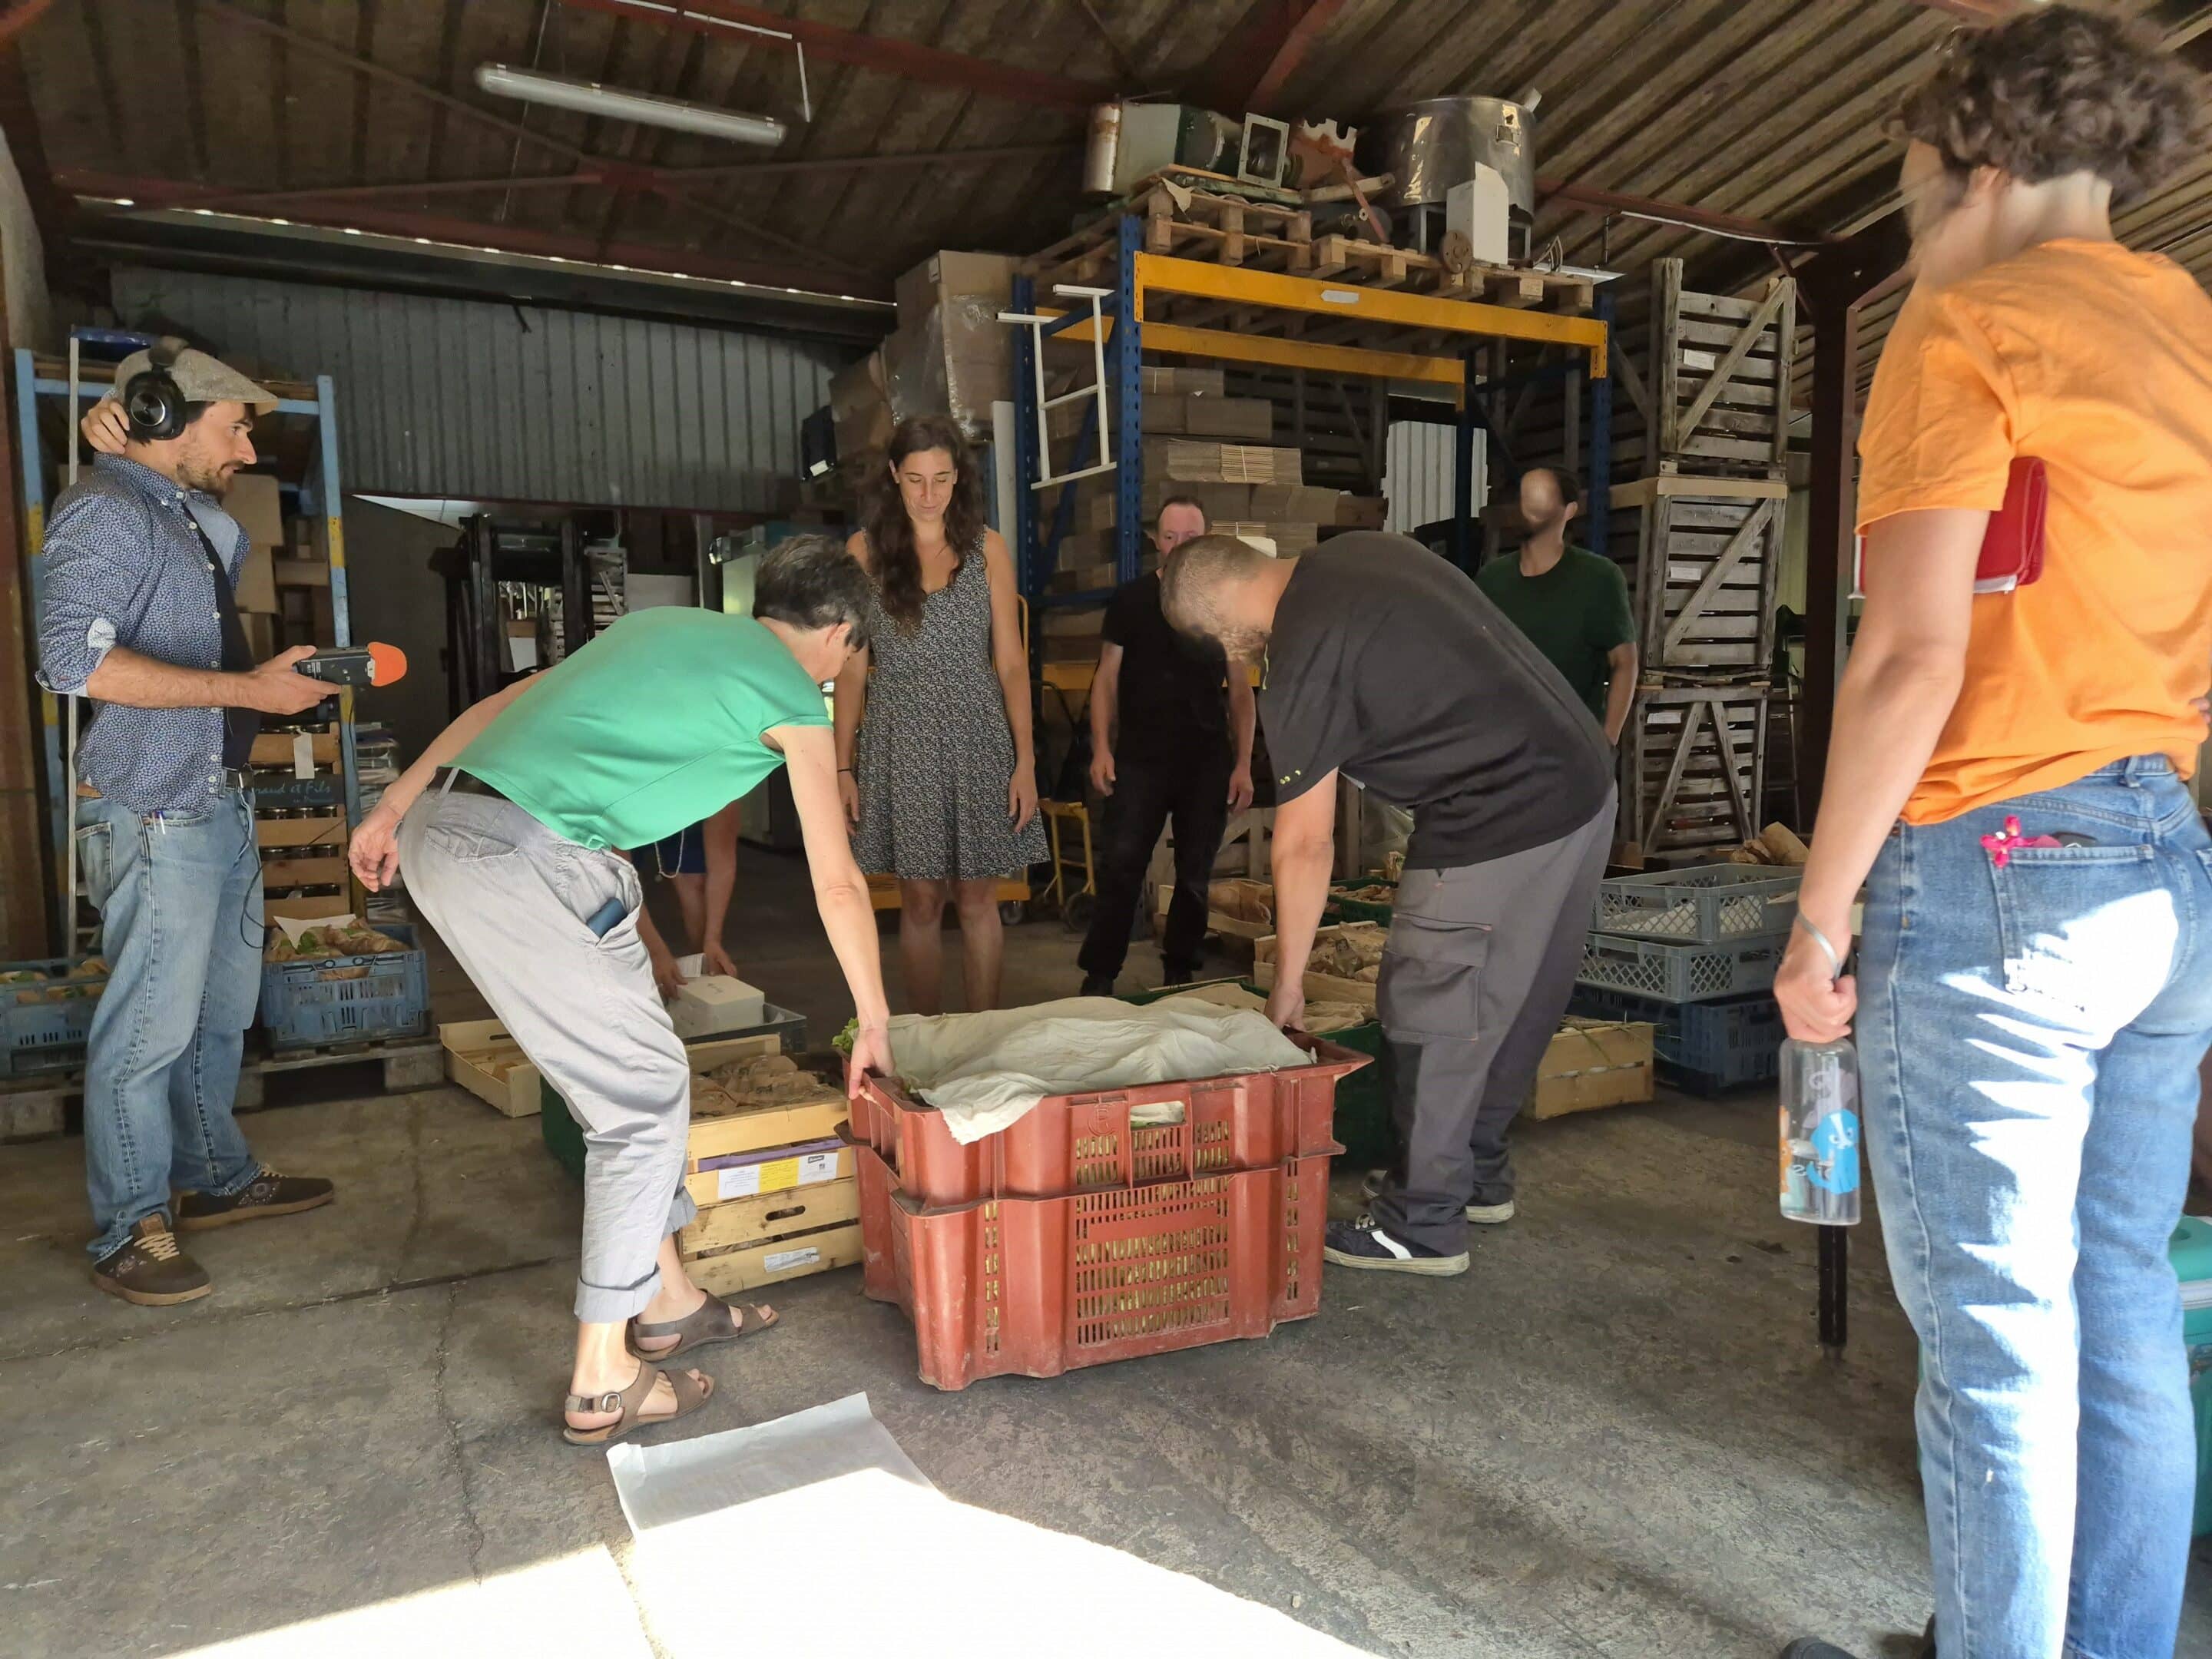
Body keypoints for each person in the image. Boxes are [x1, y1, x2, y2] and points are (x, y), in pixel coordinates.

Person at [1770, 13, 2210, 1659]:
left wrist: (1820, 926)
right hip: (2162, 860)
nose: (1908, 234)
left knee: (1995, 1343)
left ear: (1988, 165)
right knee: (2119, 1311)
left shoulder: (1965, 319)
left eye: (1909, 196)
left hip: (2002, 870)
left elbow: (1907, 655)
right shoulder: (2182, 320)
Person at [346, 536, 895, 1444]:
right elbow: (834, 879)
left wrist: (394, 802)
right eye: (852, 655)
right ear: (839, 634)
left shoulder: (663, 627)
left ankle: (669, 1301)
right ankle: (602, 1379)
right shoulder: (794, 696)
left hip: (453, 827)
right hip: (527, 857)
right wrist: (874, 1020)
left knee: (640, 1070)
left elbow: (499, 704)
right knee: (638, 1106)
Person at [1161, 531, 1616, 1277]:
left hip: (1497, 812)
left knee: (1429, 998)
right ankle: (1474, 1175)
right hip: (1584, 782)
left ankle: (1423, 1223)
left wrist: (1287, 987)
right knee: (1517, 994)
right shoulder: (1357, 553)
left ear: (1224, 630)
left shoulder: (1302, 657)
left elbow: (1305, 845)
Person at [43, 347, 336, 1307]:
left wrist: (139, 429)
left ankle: (214, 1176)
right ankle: (130, 1225)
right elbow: (70, 664)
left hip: (215, 797)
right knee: (148, 1033)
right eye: (237, 427)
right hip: (158, 805)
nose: (248, 450)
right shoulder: (103, 512)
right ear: (170, 415)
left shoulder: (179, 516)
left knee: (218, 1018)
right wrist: (249, 689)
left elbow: (222, 525)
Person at [836, 416, 1045, 1015]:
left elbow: (1010, 662)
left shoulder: (988, 549)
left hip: (979, 733)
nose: (929, 495)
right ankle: (927, 1039)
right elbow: (852, 668)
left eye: (943, 479)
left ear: (960, 479)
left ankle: (981, 1035)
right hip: (901, 736)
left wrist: (1025, 760)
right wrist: (842, 768)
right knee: (921, 901)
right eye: (917, 480)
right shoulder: (865, 551)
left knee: (978, 899)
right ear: (895, 478)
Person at [1076, 497, 1257, 995]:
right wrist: (1101, 748)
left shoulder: (1225, 608)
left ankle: (1180, 968)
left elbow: (1241, 693)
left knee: (1195, 874)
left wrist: (1243, 764)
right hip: (1140, 760)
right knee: (1122, 865)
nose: (1180, 547)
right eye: (1172, 536)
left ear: (1208, 541)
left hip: (1206, 764)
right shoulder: (1132, 600)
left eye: (1191, 538)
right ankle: (1101, 974)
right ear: (1156, 541)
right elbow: (1105, 680)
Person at [1475, 467, 1638, 743]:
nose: (1532, 504)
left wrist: (1606, 742)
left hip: (1570, 751)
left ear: (1569, 510)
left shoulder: (1598, 578)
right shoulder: (1491, 580)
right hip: (1501, 749)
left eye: (1544, 495)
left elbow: (1624, 662)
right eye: (1527, 494)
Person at [630, 806, 740, 998]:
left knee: (695, 881)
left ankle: (704, 975)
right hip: (625, 810)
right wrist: (655, 952)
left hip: (682, 806)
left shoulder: (721, 786)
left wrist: (712, 940)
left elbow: (721, 865)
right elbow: (620, 880)